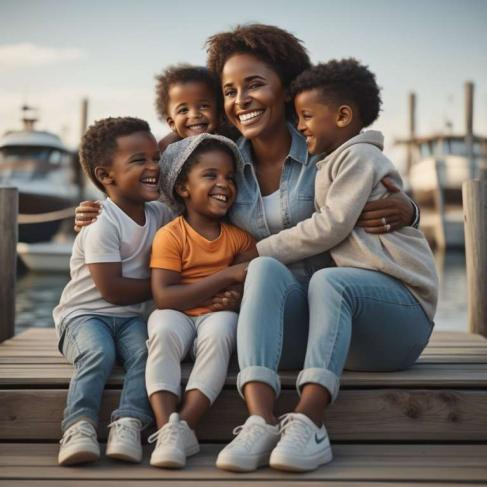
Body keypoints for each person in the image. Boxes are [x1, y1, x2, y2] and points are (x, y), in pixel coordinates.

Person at [203, 24, 423, 473]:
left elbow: (374, 192)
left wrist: (411, 209)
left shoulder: (327, 147)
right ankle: (260, 421)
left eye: (255, 84)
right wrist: (100, 208)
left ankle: (310, 423)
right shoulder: (222, 163)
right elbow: (172, 195)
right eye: (230, 90)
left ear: (287, 89)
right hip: (294, 326)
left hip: (361, 317)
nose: (240, 99)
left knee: (317, 276)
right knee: (263, 270)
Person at [53, 117, 172, 466]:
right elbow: (113, 290)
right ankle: (78, 425)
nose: (153, 167)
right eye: (139, 160)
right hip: (84, 316)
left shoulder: (160, 214)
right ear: (106, 176)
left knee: (146, 354)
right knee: (98, 354)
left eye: (156, 158)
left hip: (130, 318)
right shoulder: (101, 223)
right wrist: (168, 289)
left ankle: (129, 421)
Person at [145, 133, 256, 469]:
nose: (224, 183)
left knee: (221, 332)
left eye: (230, 177)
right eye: (210, 175)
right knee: (162, 332)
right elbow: (165, 296)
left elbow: (251, 283)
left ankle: (185, 426)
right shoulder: (171, 235)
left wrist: (236, 298)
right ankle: (166, 426)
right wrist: (226, 276)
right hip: (175, 314)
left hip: (215, 316)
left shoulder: (240, 238)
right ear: (182, 188)